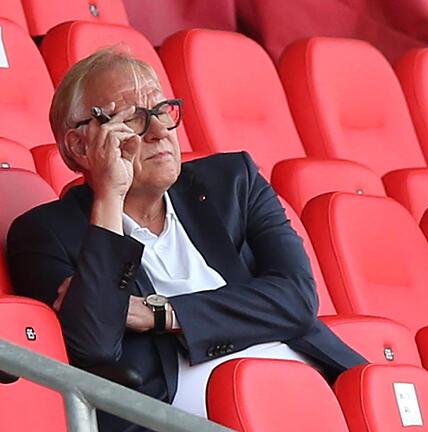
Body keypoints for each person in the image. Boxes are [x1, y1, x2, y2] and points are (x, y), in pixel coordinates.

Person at [6, 48, 366, 431]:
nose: (161, 130)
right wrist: (110, 194)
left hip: (310, 386)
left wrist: (160, 313)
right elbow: (94, 345)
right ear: (80, 146)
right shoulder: (45, 233)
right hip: (180, 417)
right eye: (135, 120)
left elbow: (296, 299)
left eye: (163, 110)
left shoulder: (234, 181)